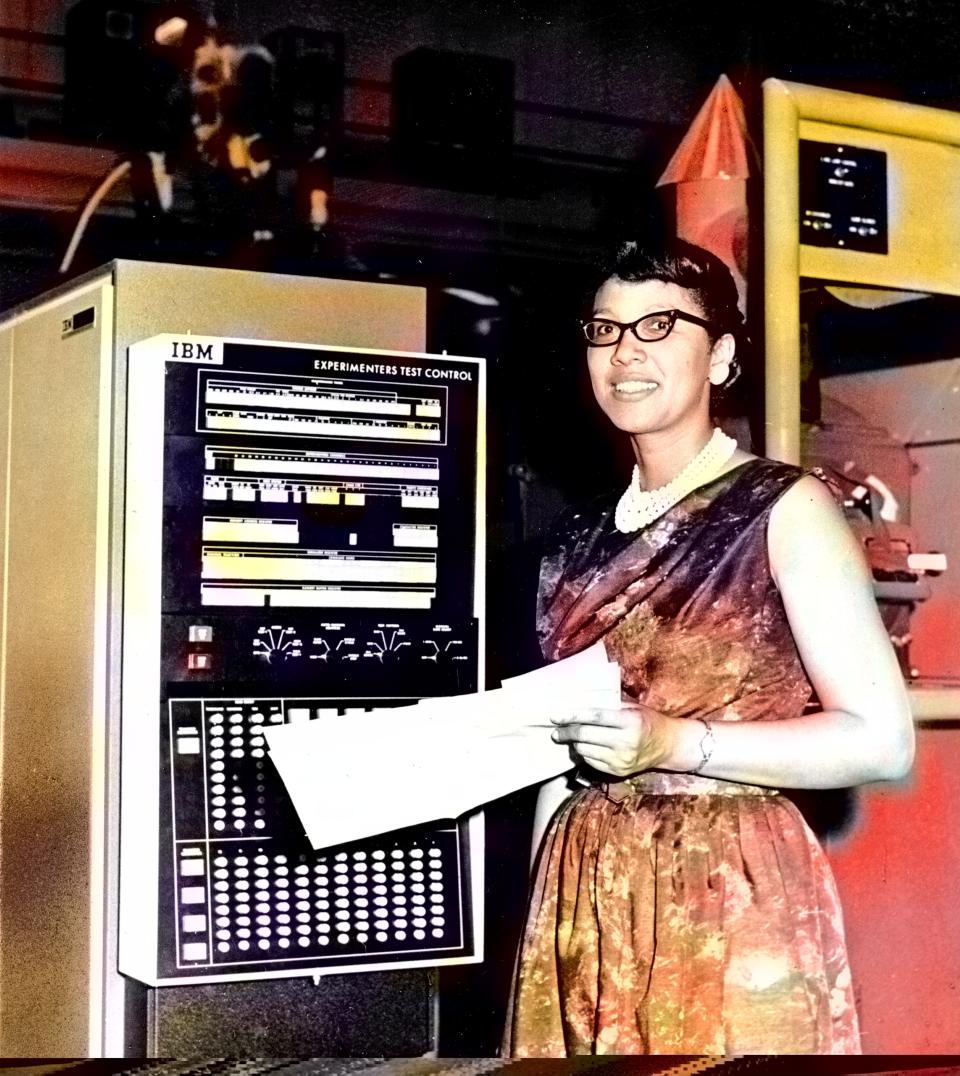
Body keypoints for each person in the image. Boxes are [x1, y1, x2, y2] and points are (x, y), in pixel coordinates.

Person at [504, 239, 914, 1056]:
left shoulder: (784, 508)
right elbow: (560, 761)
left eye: (659, 326)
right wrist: (542, 918)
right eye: (604, 329)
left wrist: (675, 743)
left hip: (730, 887)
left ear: (722, 355)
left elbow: (883, 739)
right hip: (586, 890)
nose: (625, 352)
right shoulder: (569, 543)